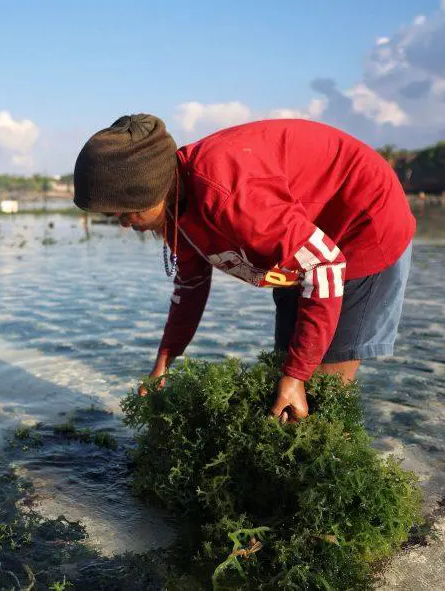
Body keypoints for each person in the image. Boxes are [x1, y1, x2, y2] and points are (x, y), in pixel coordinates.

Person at [72, 114, 415, 423]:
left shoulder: (230, 196)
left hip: (361, 227)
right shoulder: (177, 207)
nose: (122, 223)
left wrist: (296, 376)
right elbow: (190, 286)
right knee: (281, 390)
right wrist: (164, 362)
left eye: (124, 211)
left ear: (151, 190)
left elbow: (325, 264)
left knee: (317, 396)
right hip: (299, 246)